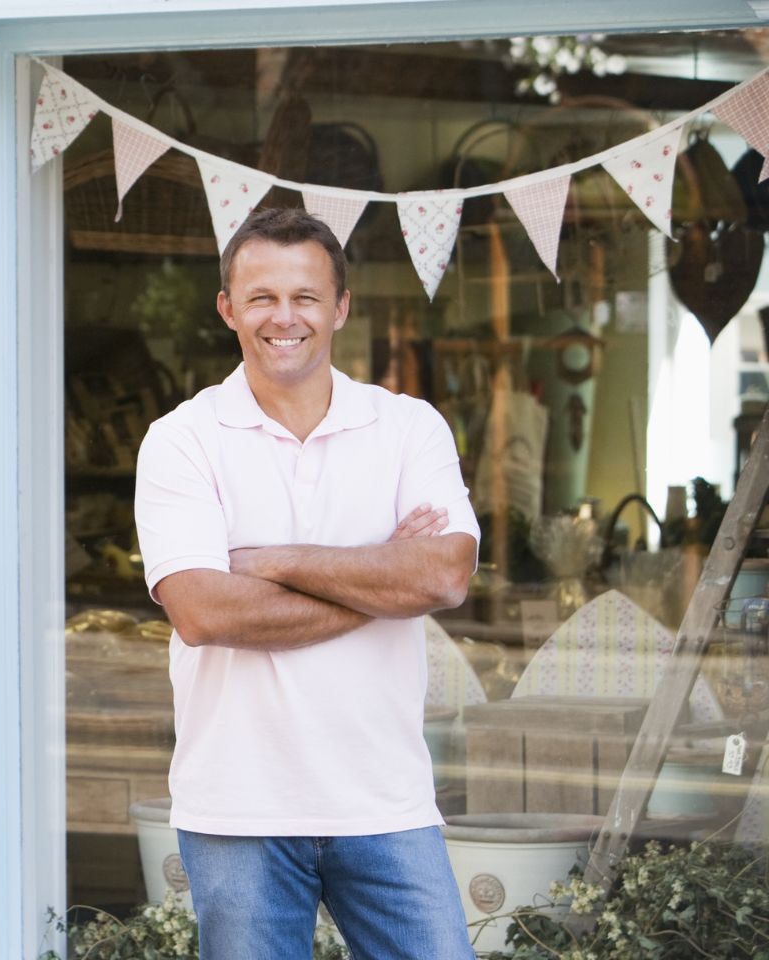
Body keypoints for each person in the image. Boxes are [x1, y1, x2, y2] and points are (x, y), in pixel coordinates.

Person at [132, 207, 479, 960]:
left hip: (385, 799)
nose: (283, 318)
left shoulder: (408, 427)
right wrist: (382, 576)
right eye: (261, 297)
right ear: (227, 308)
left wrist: (279, 560)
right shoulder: (182, 440)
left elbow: (445, 571)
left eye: (305, 297)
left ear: (340, 308)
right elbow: (201, 610)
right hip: (238, 807)